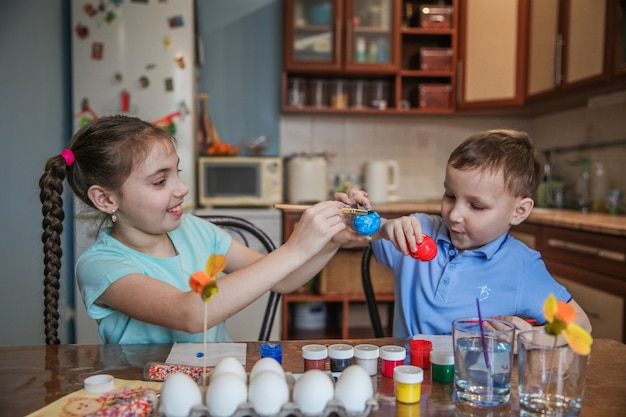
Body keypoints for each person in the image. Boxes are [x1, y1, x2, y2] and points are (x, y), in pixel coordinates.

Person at [40, 115, 370, 344]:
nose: (182, 188)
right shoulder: (101, 265)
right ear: (106, 198)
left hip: (209, 381)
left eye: (177, 173)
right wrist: (294, 248)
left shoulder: (195, 230)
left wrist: (329, 241)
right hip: (142, 393)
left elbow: (283, 280)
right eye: (160, 180)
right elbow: (190, 313)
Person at [338, 129, 592, 338]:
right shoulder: (417, 230)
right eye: (450, 195)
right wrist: (379, 225)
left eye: (476, 206)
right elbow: (348, 229)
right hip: (409, 381)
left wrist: (533, 338)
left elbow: (582, 324)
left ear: (519, 211)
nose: (454, 214)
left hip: (477, 388)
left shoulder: (522, 266)